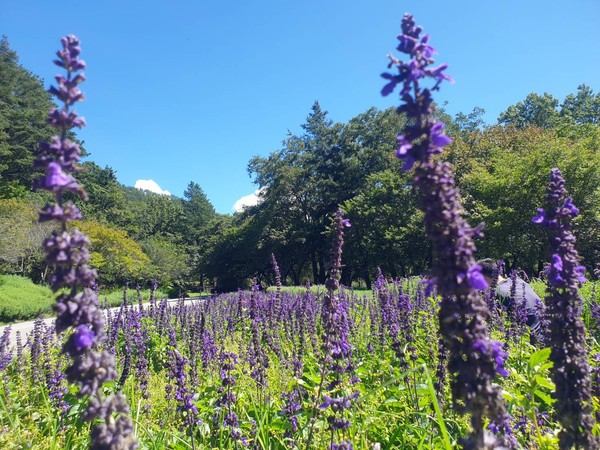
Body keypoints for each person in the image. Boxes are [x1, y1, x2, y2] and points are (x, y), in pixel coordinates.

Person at [478, 259, 543, 344]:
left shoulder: (495, 294)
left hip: (533, 343)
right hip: (550, 333)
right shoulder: (519, 281)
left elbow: (490, 324)